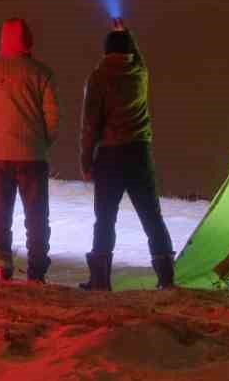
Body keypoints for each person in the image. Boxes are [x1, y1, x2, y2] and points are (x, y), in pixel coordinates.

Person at [79, 18, 174, 291]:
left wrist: (86, 160)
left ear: (106, 51)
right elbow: (140, 58)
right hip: (139, 153)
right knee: (151, 216)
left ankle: (100, 279)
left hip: (110, 156)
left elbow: (90, 124)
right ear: (129, 52)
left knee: (105, 217)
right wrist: (127, 33)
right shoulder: (139, 74)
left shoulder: (98, 77)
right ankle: (166, 277)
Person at [0, 16, 59, 282]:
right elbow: (53, 114)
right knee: (37, 220)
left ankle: (1, 270)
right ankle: (37, 274)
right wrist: (41, 142)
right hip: (33, 157)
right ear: (28, 40)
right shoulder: (42, 73)